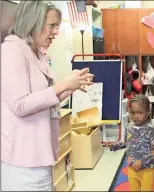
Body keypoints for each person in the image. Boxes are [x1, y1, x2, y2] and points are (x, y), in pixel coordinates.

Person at [1, 1, 94, 191]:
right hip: (24, 163)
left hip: (41, 156)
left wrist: (70, 87)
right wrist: (63, 85)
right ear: (32, 22)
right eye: (52, 25)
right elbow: (21, 105)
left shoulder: (36, 53)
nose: (56, 32)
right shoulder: (11, 51)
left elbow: (44, 100)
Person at [124, 94, 154, 191]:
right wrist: (115, 145)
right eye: (132, 113)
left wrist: (142, 161)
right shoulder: (129, 127)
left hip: (146, 170)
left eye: (139, 113)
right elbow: (127, 143)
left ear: (147, 113)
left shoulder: (151, 129)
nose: (135, 116)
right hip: (131, 169)